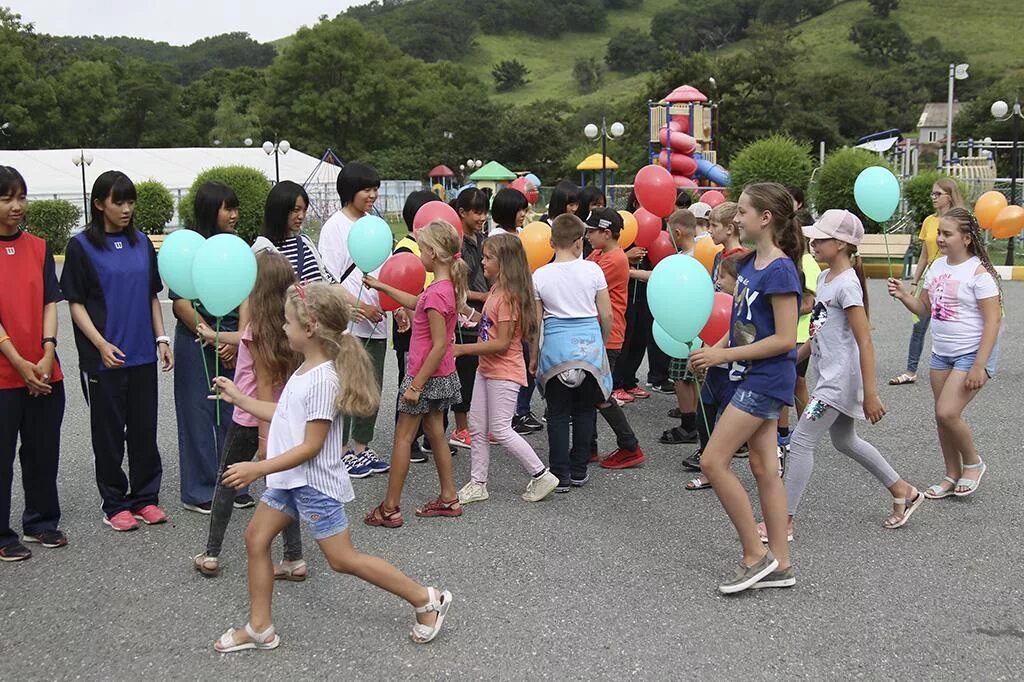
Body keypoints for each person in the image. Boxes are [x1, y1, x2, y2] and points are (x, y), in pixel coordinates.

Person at [210, 283, 452, 651]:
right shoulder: (307, 368)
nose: (283, 328)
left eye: (288, 323)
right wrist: (240, 398)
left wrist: (257, 469)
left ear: (309, 329)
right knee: (255, 538)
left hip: (312, 485)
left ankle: (426, 598)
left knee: (342, 559)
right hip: (290, 481)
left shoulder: (324, 380)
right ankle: (259, 627)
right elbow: (285, 414)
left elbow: (311, 447)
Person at [764, 210, 924, 543]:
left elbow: (864, 340)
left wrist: (871, 393)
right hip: (828, 378)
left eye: (820, 238)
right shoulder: (824, 279)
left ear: (840, 244)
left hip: (837, 383)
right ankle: (903, 490)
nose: (813, 242)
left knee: (802, 440)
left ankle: (783, 523)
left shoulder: (848, 284)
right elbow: (819, 332)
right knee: (845, 441)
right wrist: (792, 358)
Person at [689, 182, 803, 593]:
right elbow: (741, 328)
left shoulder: (781, 269)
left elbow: (786, 339)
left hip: (766, 378)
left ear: (766, 218)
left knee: (712, 461)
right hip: (752, 374)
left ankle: (755, 555)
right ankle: (781, 565)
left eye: (743, 212)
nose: (736, 219)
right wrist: (713, 350)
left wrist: (723, 357)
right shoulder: (751, 263)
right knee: (763, 468)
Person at [61, 171, 173, 531]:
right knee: (108, 435)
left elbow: (152, 295)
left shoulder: (141, 242)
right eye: (118, 202)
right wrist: (100, 344)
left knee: (144, 431)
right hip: (104, 358)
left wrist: (162, 340)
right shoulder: (81, 247)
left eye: (130, 201)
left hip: (142, 355)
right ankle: (114, 503)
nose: (126, 209)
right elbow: (75, 304)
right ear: (99, 204)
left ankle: (145, 498)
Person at [193, 252, 306, 578]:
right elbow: (243, 341)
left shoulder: (258, 330)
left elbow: (265, 382)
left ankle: (211, 554)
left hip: (251, 419)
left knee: (227, 481)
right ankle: (294, 558)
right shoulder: (289, 328)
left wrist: (263, 438)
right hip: (285, 416)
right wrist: (214, 335)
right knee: (284, 484)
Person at [888, 207, 1001, 499]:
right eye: (939, 232)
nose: (940, 238)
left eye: (947, 234)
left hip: (971, 354)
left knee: (947, 412)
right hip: (942, 354)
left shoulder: (979, 273)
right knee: (942, 417)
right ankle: (952, 474)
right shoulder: (937, 267)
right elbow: (924, 309)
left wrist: (979, 364)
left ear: (966, 238)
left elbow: (993, 322)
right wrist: (904, 295)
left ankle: (973, 464)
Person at [362, 221, 467, 527]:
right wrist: (381, 286)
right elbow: (415, 303)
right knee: (436, 434)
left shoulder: (436, 294)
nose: (419, 254)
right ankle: (449, 497)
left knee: (403, 438)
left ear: (433, 253)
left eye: (422, 248)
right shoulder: (442, 289)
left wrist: (416, 386)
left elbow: (436, 346)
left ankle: (390, 507)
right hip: (442, 376)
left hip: (424, 376)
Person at [454, 233, 559, 503]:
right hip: (486, 369)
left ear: (505, 263)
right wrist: (464, 309)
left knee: (500, 429)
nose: (482, 262)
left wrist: (461, 349)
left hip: (504, 371)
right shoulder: (496, 290)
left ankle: (541, 474)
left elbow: (501, 343)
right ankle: (478, 482)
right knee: (478, 427)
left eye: (489, 258)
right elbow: (488, 325)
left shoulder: (509, 297)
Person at [0, 166, 67, 561]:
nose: (16, 206)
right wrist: (19, 362)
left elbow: (48, 301)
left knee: (43, 451)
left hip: (44, 369)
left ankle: (41, 521)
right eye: (7, 198)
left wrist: (46, 352)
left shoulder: (39, 247)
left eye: (21, 197)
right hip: (6, 374)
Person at [172, 182, 250, 514]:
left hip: (234, 338)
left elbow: (248, 295)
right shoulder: (189, 247)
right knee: (198, 414)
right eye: (226, 208)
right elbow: (181, 303)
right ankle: (200, 489)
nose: (234, 215)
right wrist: (212, 338)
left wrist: (240, 339)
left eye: (235, 208)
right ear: (209, 211)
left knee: (237, 412)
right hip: (195, 338)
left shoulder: (238, 247)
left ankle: (236, 481)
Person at [316, 164, 391, 475]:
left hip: (379, 318)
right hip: (348, 323)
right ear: (350, 191)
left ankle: (363, 446)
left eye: (375, 188)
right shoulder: (334, 227)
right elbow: (328, 277)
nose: (372, 195)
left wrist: (394, 305)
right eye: (366, 189)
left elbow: (388, 270)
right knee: (347, 384)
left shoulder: (376, 224)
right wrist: (353, 308)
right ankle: (342, 448)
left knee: (372, 384)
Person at [533, 214, 613, 492]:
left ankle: (560, 473)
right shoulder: (593, 271)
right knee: (583, 411)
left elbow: (535, 323)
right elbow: (606, 313)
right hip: (588, 349)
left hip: (555, 350)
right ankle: (579, 468)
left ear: (552, 241)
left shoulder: (540, 275)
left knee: (556, 414)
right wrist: (600, 342)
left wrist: (533, 354)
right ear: (580, 242)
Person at [582, 209, 646, 470]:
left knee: (599, 394)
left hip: (609, 335)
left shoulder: (614, 259)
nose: (587, 236)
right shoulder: (599, 254)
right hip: (597, 332)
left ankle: (630, 446)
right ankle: (589, 446)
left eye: (591, 232)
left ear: (606, 233)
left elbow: (582, 279)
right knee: (589, 392)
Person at [890, 178, 966, 386]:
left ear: (949, 196)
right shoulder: (929, 222)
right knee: (919, 326)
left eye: (938, 194)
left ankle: (959, 368)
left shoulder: (960, 221)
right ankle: (911, 370)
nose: (933, 198)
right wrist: (915, 282)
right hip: (930, 282)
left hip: (952, 283)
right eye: (932, 194)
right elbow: (924, 255)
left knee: (948, 326)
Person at [684, 253, 747, 489]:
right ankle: (708, 461)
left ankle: (719, 469)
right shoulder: (712, 304)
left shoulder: (742, 308)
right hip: (716, 372)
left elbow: (737, 338)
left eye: (722, 276)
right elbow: (708, 333)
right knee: (704, 417)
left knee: (727, 425)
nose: (718, 281)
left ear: (737, 280)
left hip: (734, 373)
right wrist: (700, 358)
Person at [392, 190, 441, 465]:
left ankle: (426, 436)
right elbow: (401, 287)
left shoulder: (432, 249)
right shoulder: (406, 247)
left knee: (427, 384)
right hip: (411, 331)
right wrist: (405, 313)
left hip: (428, 326)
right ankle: (407, 440)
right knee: (408, 384)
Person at [644, 209, 700, 445]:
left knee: (680, 375)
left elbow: (665, 280)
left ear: (678, 232)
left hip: (685, 324)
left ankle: (688, 426)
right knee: (691, 374)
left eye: (669, 235)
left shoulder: (686, 259)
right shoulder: (701, 253)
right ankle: (693, 417)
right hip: (695, 323)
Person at [448, 187, 491, 450]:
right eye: (477, 211)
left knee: (479, 370)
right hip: (465, 314)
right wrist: (482, 297)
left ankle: (475, 425)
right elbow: (456, 288)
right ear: (461, 212)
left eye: (485, 211)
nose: (482, 216)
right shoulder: (457, 244)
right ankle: (461, 427)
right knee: (465, 370)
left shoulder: (482, 239)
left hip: (482, 313)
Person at [252, 181, 333, 284]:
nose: (301, 216)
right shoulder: (263, 249)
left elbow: (326, 280)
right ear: (279, 210)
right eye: (296, 210)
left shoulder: (305, 243)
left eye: (304, 210)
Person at [614, 190, 653, 400]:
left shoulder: (656, 226)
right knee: (625, 338)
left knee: (640, 337)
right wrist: (627, 256)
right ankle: (616, 382)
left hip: (645, 291)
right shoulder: (623, 224)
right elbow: (607, 254)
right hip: (624, 291)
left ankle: (630, 380)